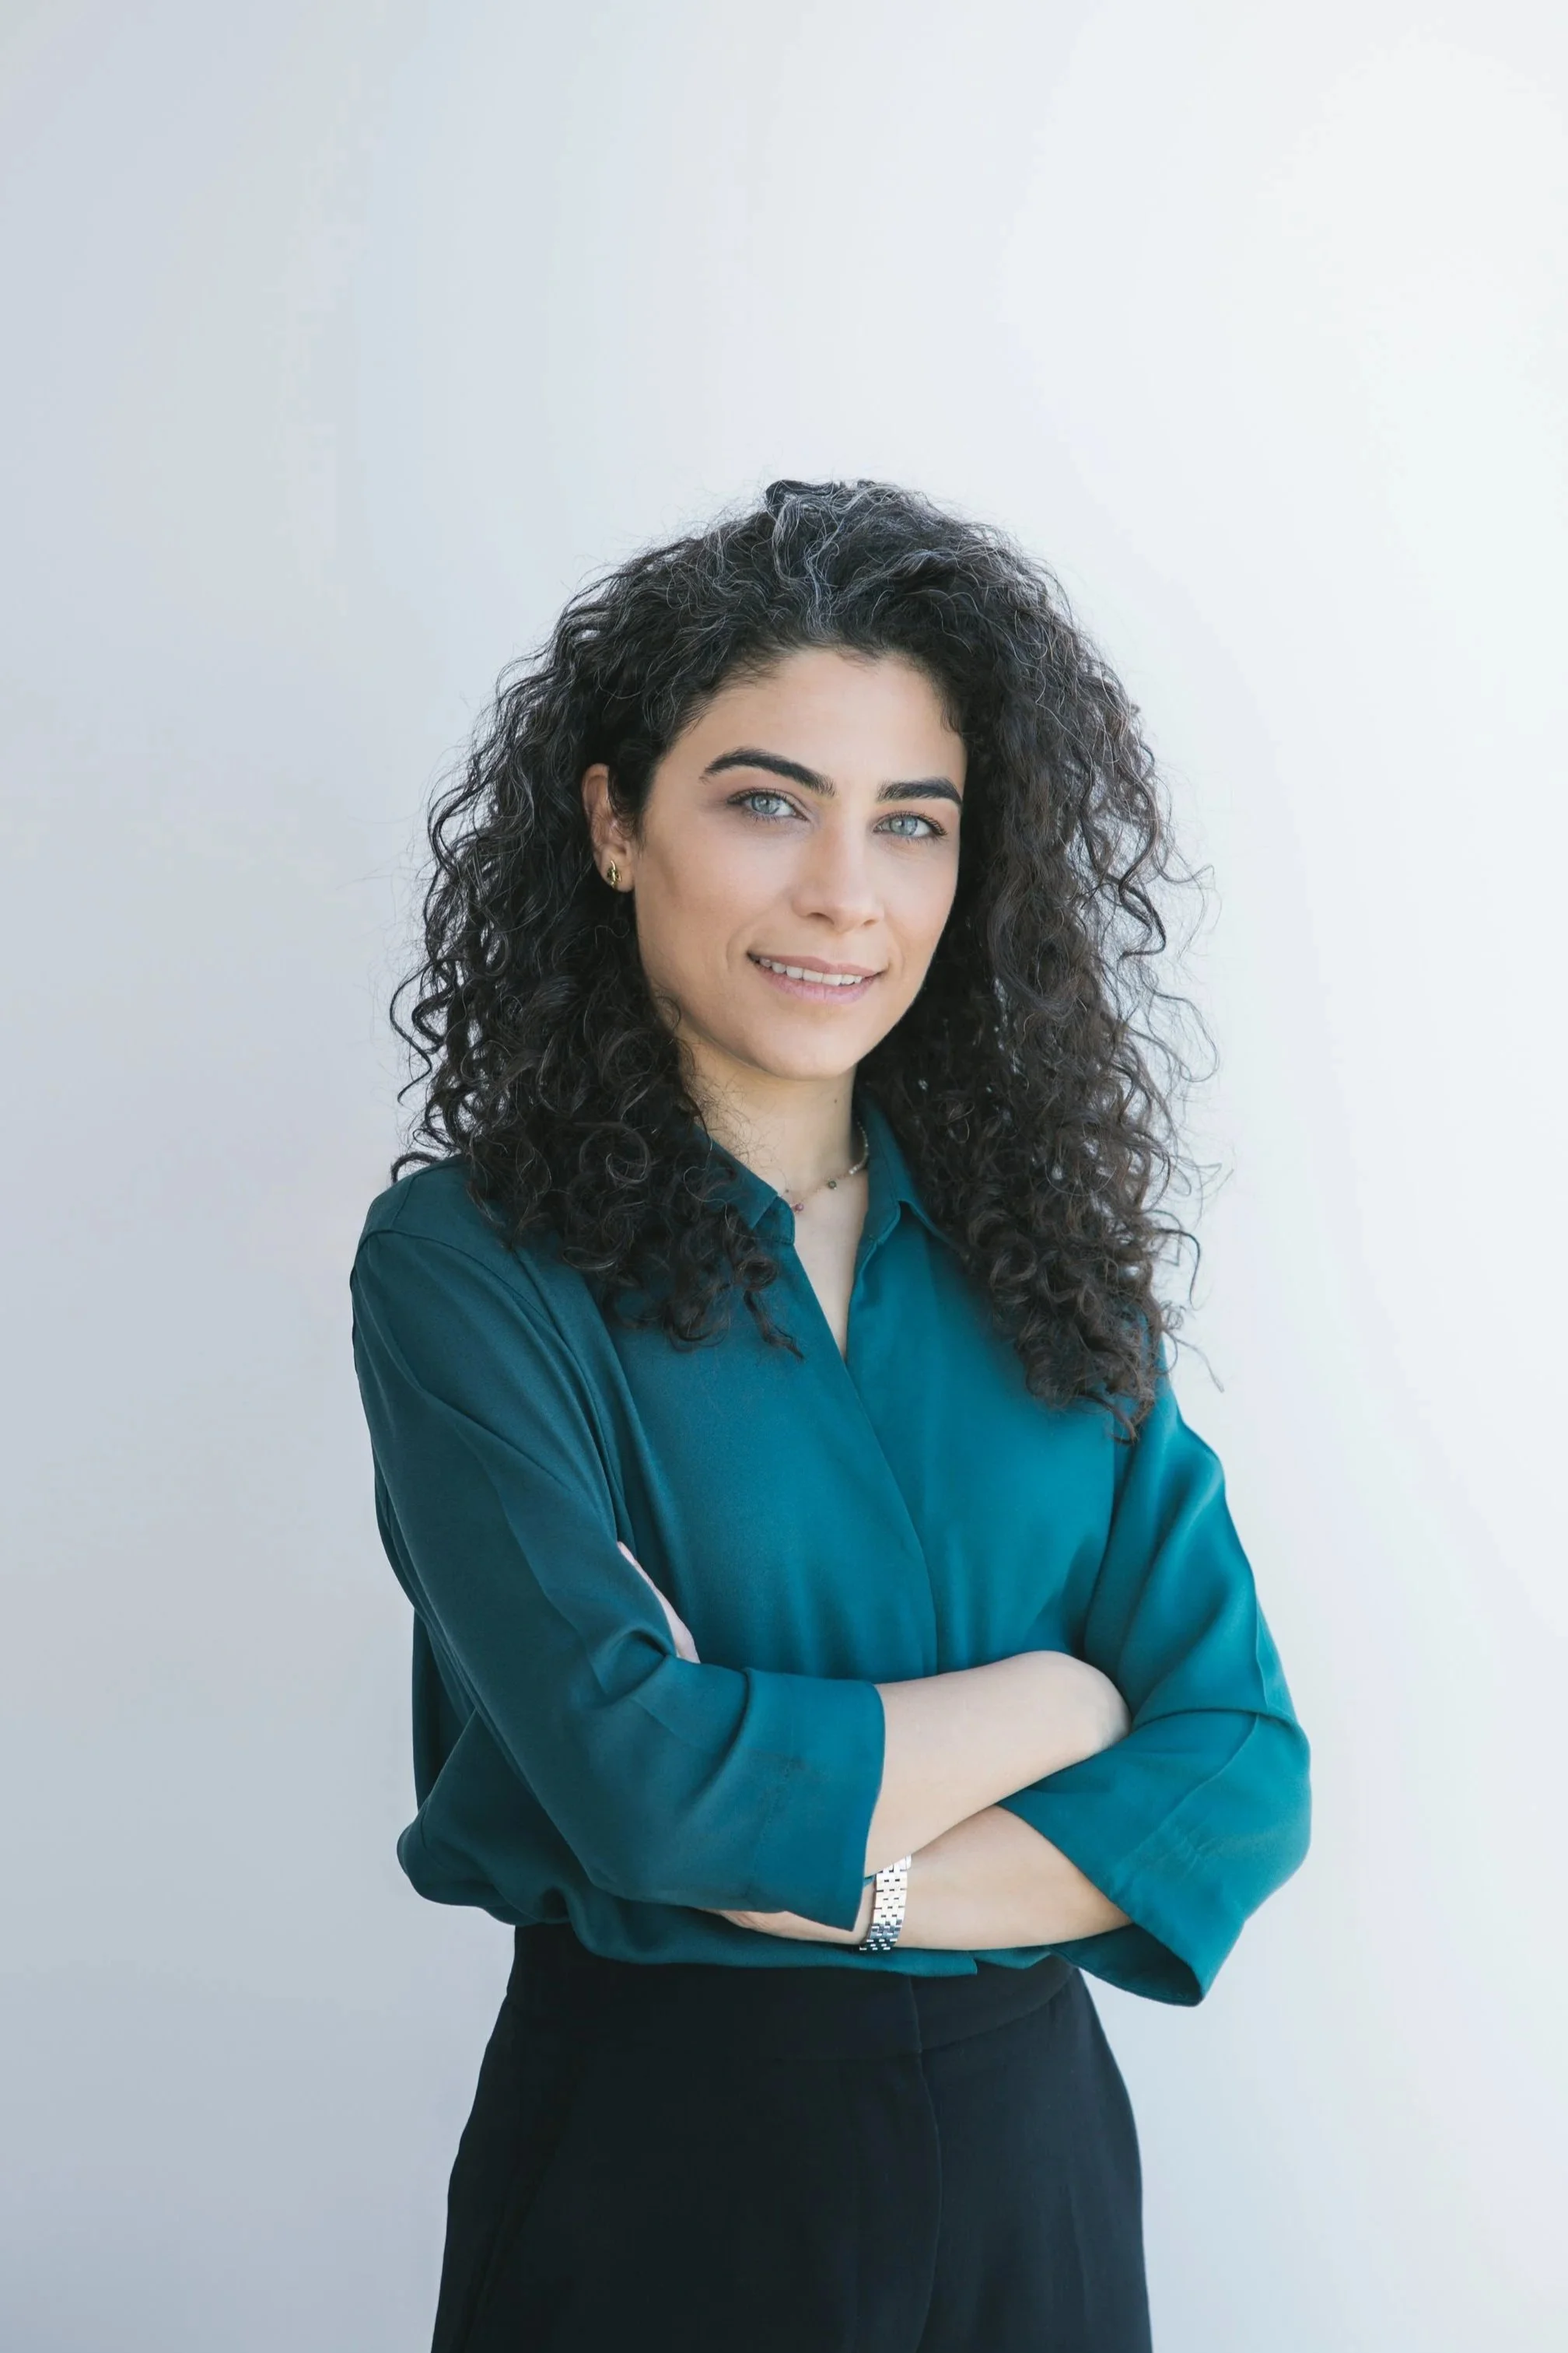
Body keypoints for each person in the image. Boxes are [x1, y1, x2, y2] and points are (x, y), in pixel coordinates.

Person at [349, 477, 1312, 2352]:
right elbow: (638, 1784)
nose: (844, 896)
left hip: (1037, 2167)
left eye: (914, 823)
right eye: (769, 801)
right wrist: (1059, 1703)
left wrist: (838, 1886)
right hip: (667, 2168)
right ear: (617, 823)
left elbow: (1241, 1766)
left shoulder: (1046, 1257)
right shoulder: (469, 1263)